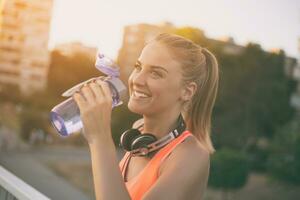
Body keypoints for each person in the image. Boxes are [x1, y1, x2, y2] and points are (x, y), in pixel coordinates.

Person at [73, 33, 219, 200]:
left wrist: (100, 138)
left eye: (156, 73)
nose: (137, 80)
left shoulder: (192, 156)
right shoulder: (138, 132)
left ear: (187, 91)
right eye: (138, 66)